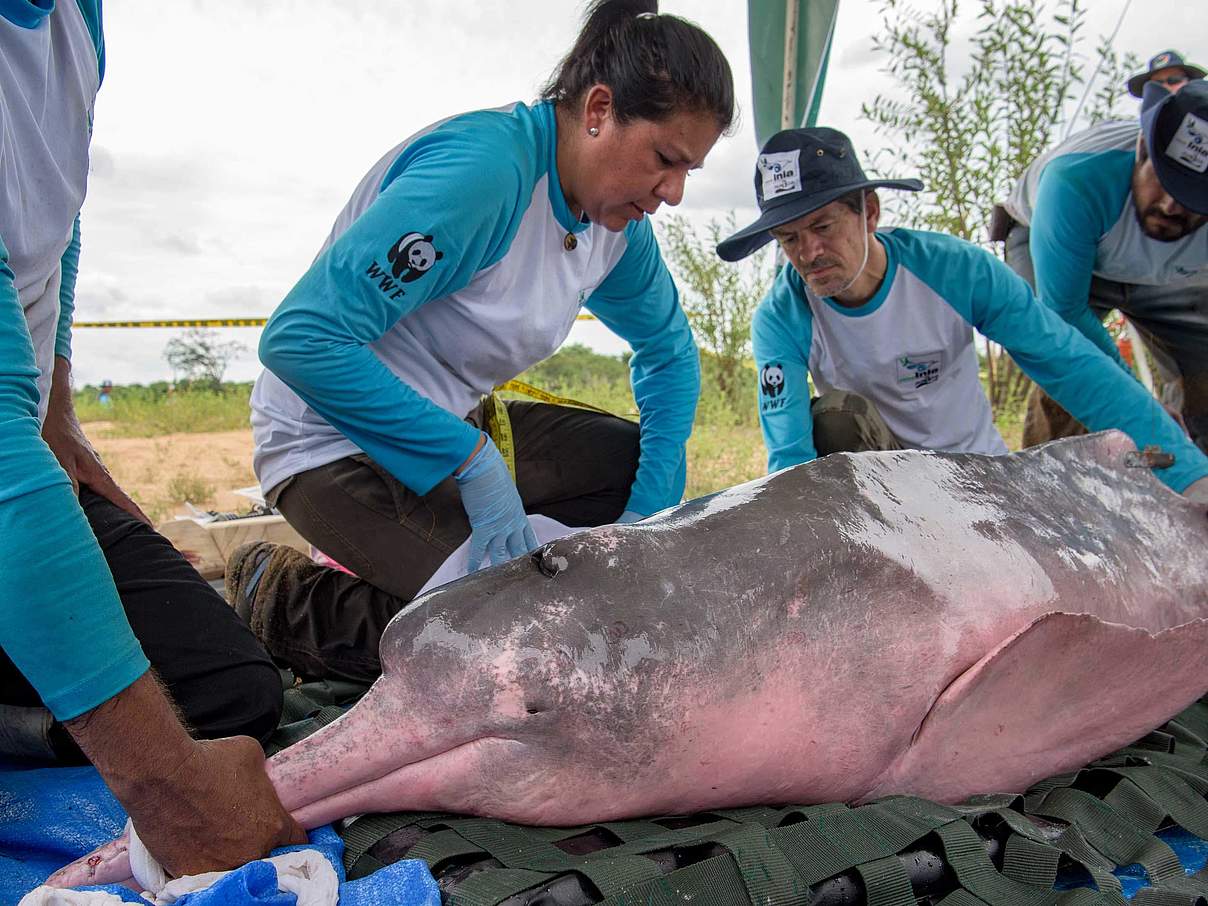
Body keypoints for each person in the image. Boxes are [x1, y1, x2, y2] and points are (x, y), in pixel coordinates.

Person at [231, 0, 734, 683]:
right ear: (598, 110)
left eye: (689, 173)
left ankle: (453, 568)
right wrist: (471, 464)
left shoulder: (616, 230)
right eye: (664, 159)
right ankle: (288, 600)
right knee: (529, 650)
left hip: (456, 432)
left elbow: (671, 355)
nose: (671, 193)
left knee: (626, 471)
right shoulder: (487, 175)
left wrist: (646, 516)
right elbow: (303, 340)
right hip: (331, 444)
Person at [0, 0, 304, 877]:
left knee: (229, 692)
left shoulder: (76, 18)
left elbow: (60, 203)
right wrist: (167, 787)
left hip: (19, 443)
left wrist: (55, 407)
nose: (671, 192)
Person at [716, 127, 1208, 504]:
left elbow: (1067, 359)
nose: (809, 253)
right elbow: (789, 451)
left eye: (822, 226)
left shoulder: (955, 269)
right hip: (883, 496)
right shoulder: (782, 317)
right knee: (834, 420)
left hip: (979, 474)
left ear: (869, 212)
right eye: (790, 238)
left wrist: (1189, 474)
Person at [1002, 81, 1208, 451]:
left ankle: (1190, 478)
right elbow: (1064, 311)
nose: (1171, 206)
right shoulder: (1075, 180)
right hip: (1054, 248)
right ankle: (1057, 487)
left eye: (1193, 195)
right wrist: (1139, 405)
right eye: (1164, 182)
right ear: (1143, 150)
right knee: (1068, 364)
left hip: (1160, 274)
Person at [1127, 50, 1205, 98]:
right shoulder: (1143, 124)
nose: (1165, 87)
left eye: (1174, 80)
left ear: (1189, 82)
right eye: (1156, 84)